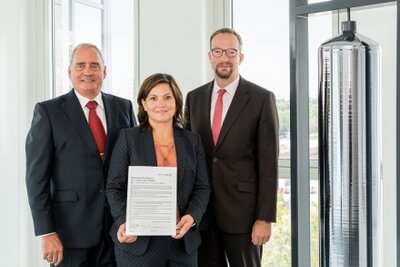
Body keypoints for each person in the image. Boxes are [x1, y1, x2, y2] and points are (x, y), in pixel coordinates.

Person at [25, 43, 136, 266]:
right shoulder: (49, 112)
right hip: (69, 234)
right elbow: (36, 178)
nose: (88, 72)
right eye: (81, 65)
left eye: (95, 65)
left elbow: (135, 165)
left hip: (118, 232)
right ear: (69, 72)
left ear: (104, 71)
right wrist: (46, 232)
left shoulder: (123, 107)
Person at [184, 28, 279, 267]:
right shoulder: (193, 98)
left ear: (241, 57)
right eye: (218, 51)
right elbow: (187, 155)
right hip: (202, 214)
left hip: (244, 216)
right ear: (210, 56)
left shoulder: (261, 98)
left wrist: (264, 217)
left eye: (231, 51)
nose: (224, 57)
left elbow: (268, 163)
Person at [106, 73, 210, 266]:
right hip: (138, 244)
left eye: (167, 97)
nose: (160, 104)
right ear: (144, 104)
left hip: (182, 244)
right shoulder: (128, 139)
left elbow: (202, 187)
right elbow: (114, 187)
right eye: (153, 98)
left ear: (177, 102)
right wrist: (123, 221)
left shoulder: (192, 141)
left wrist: (192, 217)